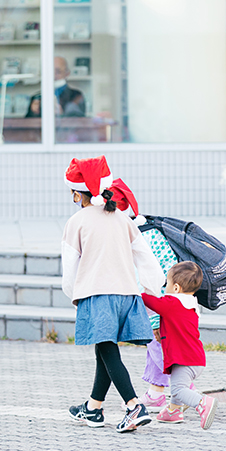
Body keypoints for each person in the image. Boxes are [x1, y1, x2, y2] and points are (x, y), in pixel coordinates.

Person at [62, 156, 165, 433]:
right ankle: (93, 408)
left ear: (75, 193)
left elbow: (69, 269)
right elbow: (146, 256)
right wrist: (155, 288)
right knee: (105, 350)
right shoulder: (122, 218)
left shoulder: (77, 222)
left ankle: (134, 406)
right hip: (128, 295)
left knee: (108, 351)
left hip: (97, 295)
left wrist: (75, 297)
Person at [108, 180, 176, 413]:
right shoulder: (147, 231)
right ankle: (156, 393)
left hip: (153, 301)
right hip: (152, 299)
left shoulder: (135, 235)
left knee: (159, 345)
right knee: (154, 344)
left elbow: (159, 272)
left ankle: (184, 390)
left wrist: (158, 310)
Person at [141, 261, 218, 430]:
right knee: (178, 384)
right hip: (195, 358)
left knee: (177, 389)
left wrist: (138, 291)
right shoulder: (191, 304)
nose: (165, 287)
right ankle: (173, 411)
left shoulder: (172, 303)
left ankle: (202, 402)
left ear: (176, 288)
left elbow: (151, 302)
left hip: (184, 359)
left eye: (167, 283)